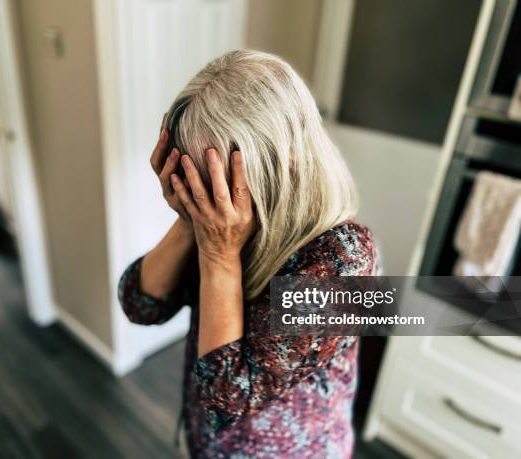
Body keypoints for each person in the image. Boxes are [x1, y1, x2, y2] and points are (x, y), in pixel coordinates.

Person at [118, 50, 377, 458]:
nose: (203, 192)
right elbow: (139, 304)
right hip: (206, 442)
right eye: (193, 175)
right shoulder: (220, 222)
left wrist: (220, 255)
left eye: (215, 177)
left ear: (283, 160)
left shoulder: (342, 259)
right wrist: (189, 219)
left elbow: (227, 399)